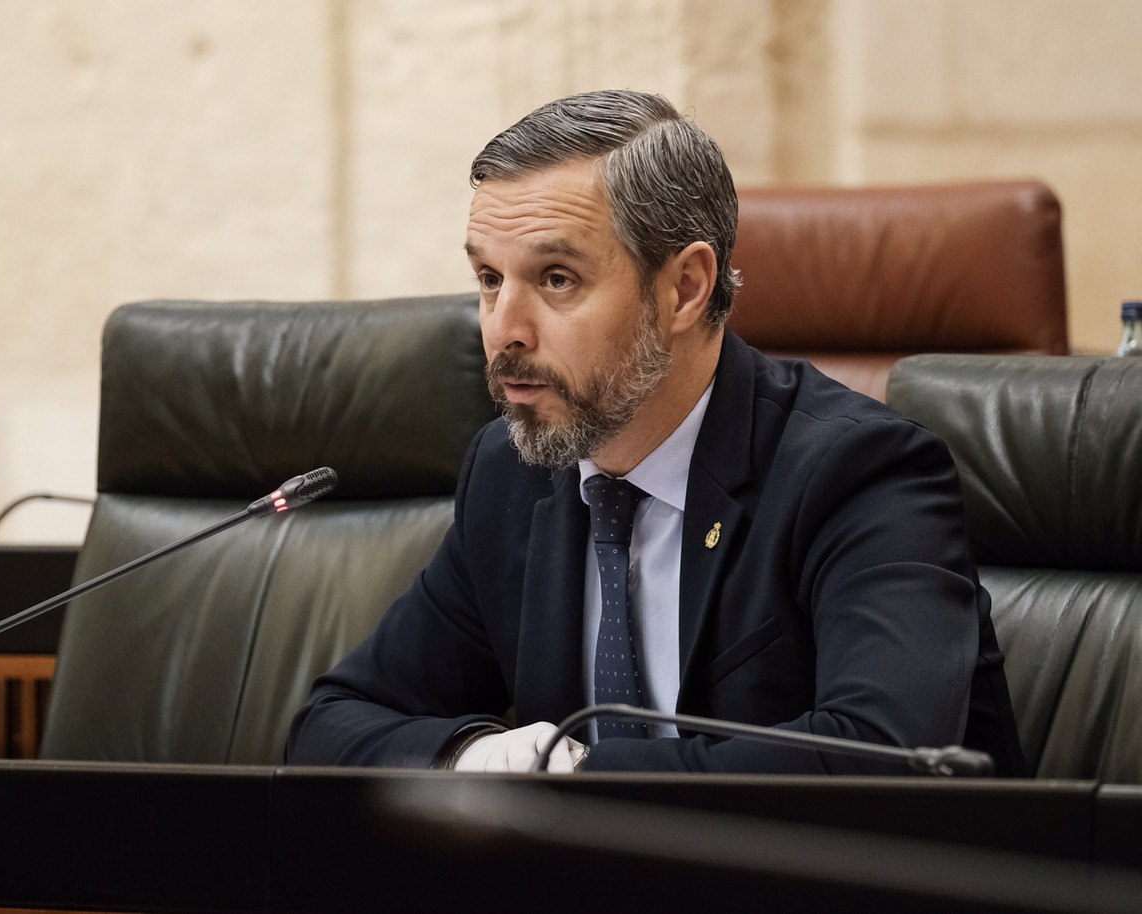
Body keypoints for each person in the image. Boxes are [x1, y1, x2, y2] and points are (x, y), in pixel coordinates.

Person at [287, 89, 1024, 775]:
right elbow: (333, 724)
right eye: (488, 279)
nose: (503, 330)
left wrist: (573, 782)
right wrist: (472, 756)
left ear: (685, 289)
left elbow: (886, 756)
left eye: (556, 279)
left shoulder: (861, 473)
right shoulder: (512, 473)